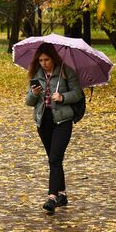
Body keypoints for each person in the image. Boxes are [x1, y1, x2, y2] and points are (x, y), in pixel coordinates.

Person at [25, 43, 82, 214]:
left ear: (53, 58)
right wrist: (34, 94)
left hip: (62, 121)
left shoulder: (66, 72)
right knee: (54, 159)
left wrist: (63, 96)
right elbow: (29, 102)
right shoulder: (36, 75)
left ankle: (52, 197)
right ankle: (62, 194)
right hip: (44, 122)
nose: (43, 63)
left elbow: (78, 93)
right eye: (41, 60)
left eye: (47, 60)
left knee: (55, 158)